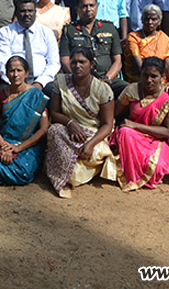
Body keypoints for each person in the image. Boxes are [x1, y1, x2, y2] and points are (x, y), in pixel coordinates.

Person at [45, 47, 116, 198]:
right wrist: (71, 124)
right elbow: (54, 113)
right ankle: (68, 171)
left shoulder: (103, 89)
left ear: (91, 64)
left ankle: (73, 165)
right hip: (68, 133)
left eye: (82, 62)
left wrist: (90, 144)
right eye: (74, 62)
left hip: (93, 135)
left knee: (92, 153)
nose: (77, 66)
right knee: (54, 130)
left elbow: (108, 124)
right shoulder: (61, 82)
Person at [112, 57, 169, 191]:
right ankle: (130, 176)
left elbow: (168, 132)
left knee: (158, 168)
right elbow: (114, 112)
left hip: (155, 140)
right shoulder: (132, 90)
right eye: (145, 75)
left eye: (154, 76)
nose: (149, 80)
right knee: (124, 132)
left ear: (162, 77)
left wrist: (136, 126)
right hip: (131, 137)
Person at [0, 56, 49, 186]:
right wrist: (4, 146)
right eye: (11, 71)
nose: (15, 74)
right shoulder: (1, 94)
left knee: (23, 172)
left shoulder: (36, 95)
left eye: (19, 70)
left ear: (26, 73)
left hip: (27, 144)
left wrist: (18, 147)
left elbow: (44, 129)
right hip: (4, 141)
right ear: (7, 74)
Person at [60, 0, 128, 97]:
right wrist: (80, 78)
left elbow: (117, 61)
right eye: (84, 6)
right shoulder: (69, 30)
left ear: (96, 7)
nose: (88, 9)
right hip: (80, 79)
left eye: (91, 5)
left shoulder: (109, 28)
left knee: (128, 90)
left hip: (107, 78)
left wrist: (107, 79)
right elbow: (65, 61)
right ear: (77, 9)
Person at [0, 0, 60, 88]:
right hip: (14, 81)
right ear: (16, 13)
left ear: (35, 12)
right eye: (23, 11)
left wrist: (40, 83)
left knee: (56, 93)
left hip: (42, 80)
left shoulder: (46, 32)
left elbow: (54, 63)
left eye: (30, 11)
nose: (27, 14)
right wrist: (19, 84)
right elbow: (3, 63)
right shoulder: (6, 32)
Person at [124, 4, 169, 89]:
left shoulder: (164, 38)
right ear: (142, 20)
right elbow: (139, 65)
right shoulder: (133, 37)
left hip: (161, 79)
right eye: (147, 19)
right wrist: (155, 81)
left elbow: (168, 64)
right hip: (143, 79)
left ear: (159, 21)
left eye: (154, 19)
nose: (150, 22)